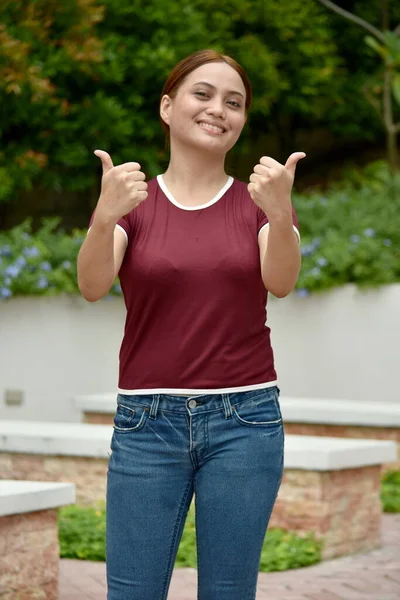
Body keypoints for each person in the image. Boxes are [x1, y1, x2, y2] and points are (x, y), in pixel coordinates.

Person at [77, 48, 304, 600]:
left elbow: (282, 280)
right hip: (145, 424)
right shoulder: (133, 202)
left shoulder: (258, 203)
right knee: (131, 593)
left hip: (245, 422)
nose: (217, 109)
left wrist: (280, 213)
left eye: (234, 102)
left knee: (228, 592)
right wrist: (104, 216)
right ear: (167, 106)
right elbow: (92, 285)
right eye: (202, 94)